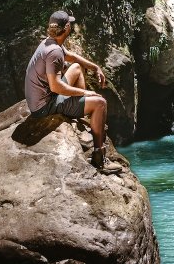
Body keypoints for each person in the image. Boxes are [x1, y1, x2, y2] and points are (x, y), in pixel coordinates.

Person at [23, 10, 115, 170]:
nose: (71, 26)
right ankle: (99, 157)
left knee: (77, 68)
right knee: (100, 103)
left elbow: (70, 56)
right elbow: (56, 86)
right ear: (66, 28)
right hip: (44, 106)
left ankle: (80, 109)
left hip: (41, 98)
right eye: (69, 24)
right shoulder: (54, 52)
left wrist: (95, 67)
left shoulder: (50, 42)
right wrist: (85, 93)